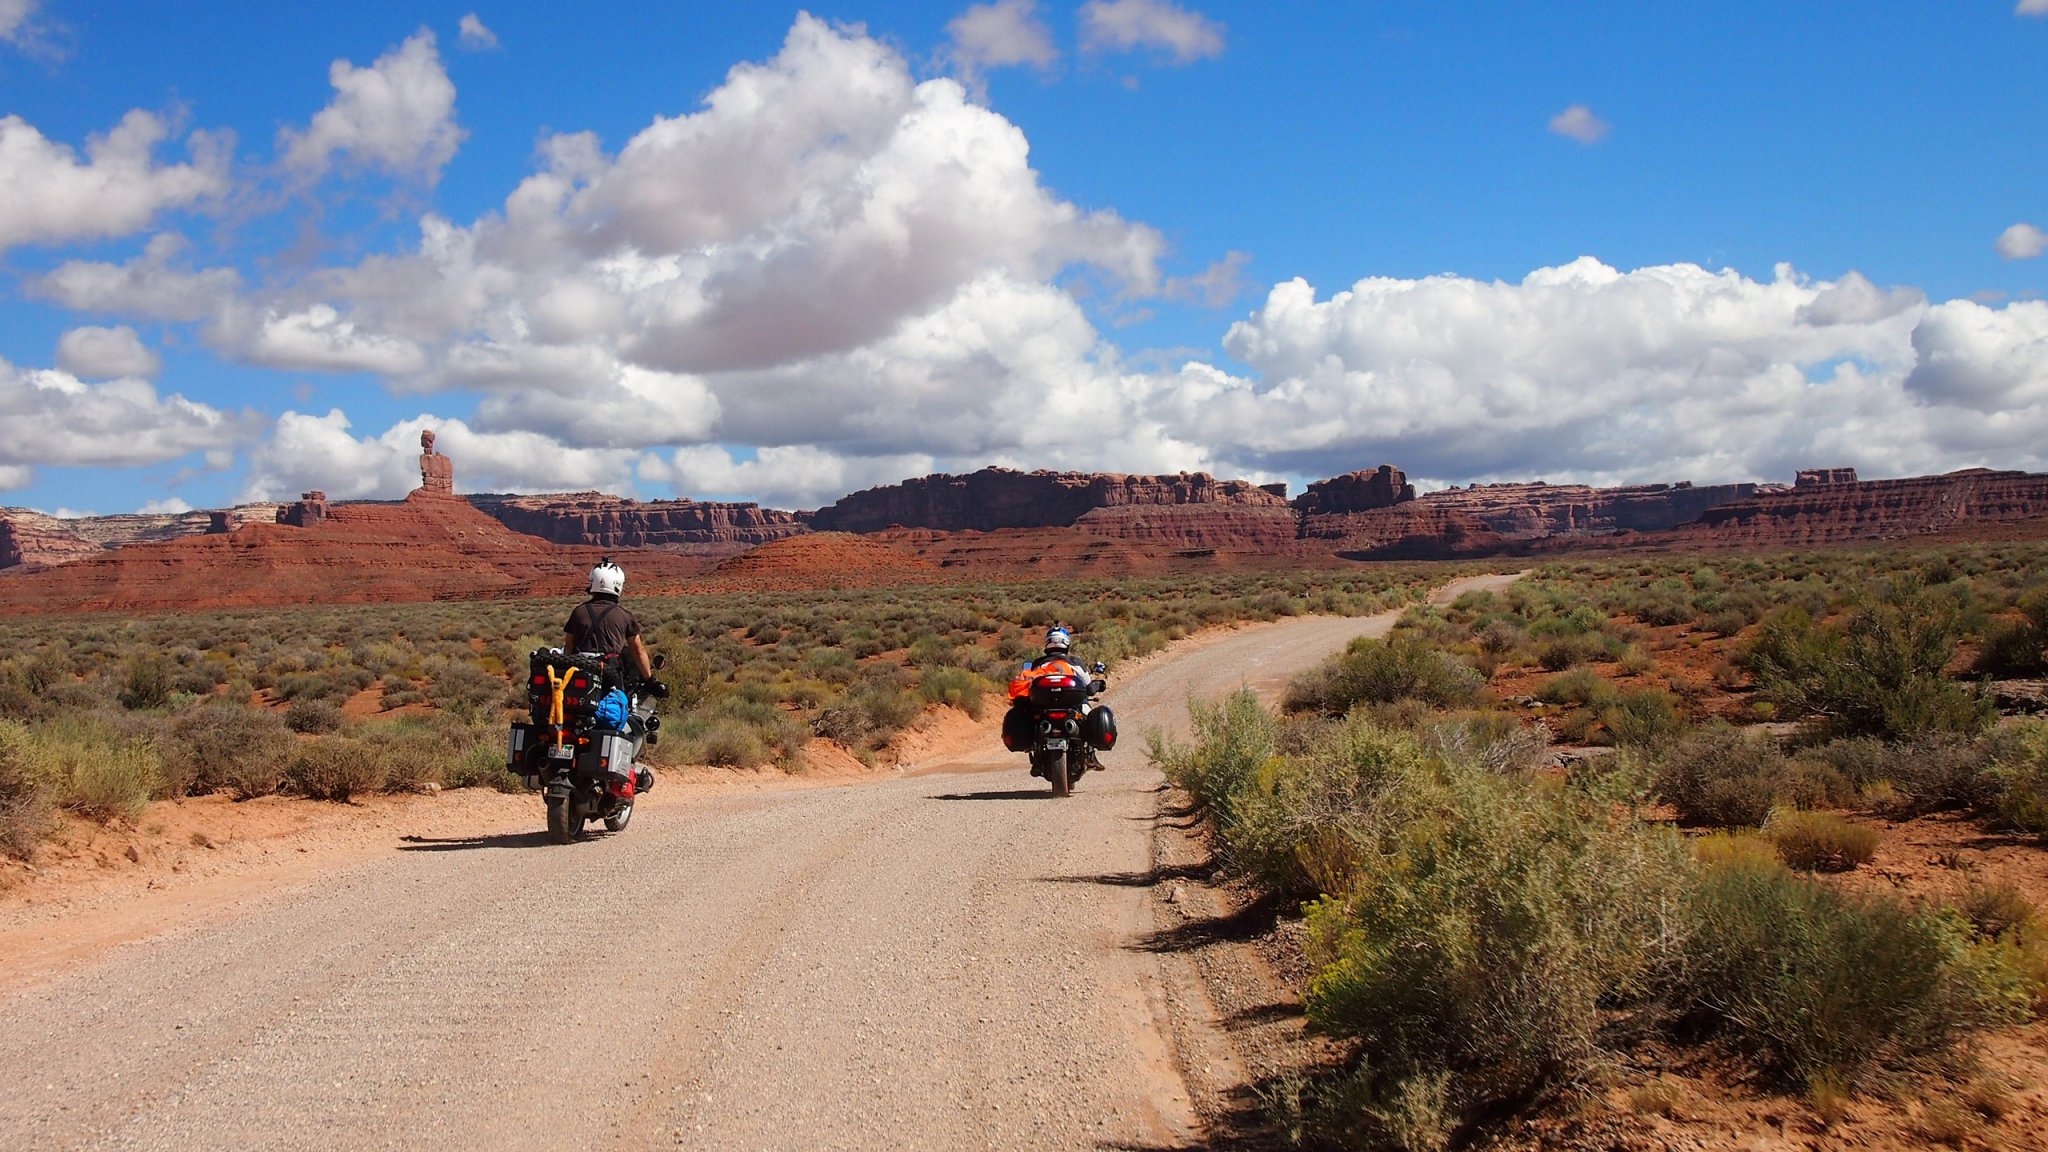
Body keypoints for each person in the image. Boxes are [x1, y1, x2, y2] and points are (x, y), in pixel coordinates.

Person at [564, 558, 658, 791]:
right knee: (618, 718)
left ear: (593, 582)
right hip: (609, 677)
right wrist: (650, 679)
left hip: (577, 676)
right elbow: (638, 651)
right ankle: (620, 774)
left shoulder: (578, 612)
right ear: (618, 585)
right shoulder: (624, 616)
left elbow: (568, 649)